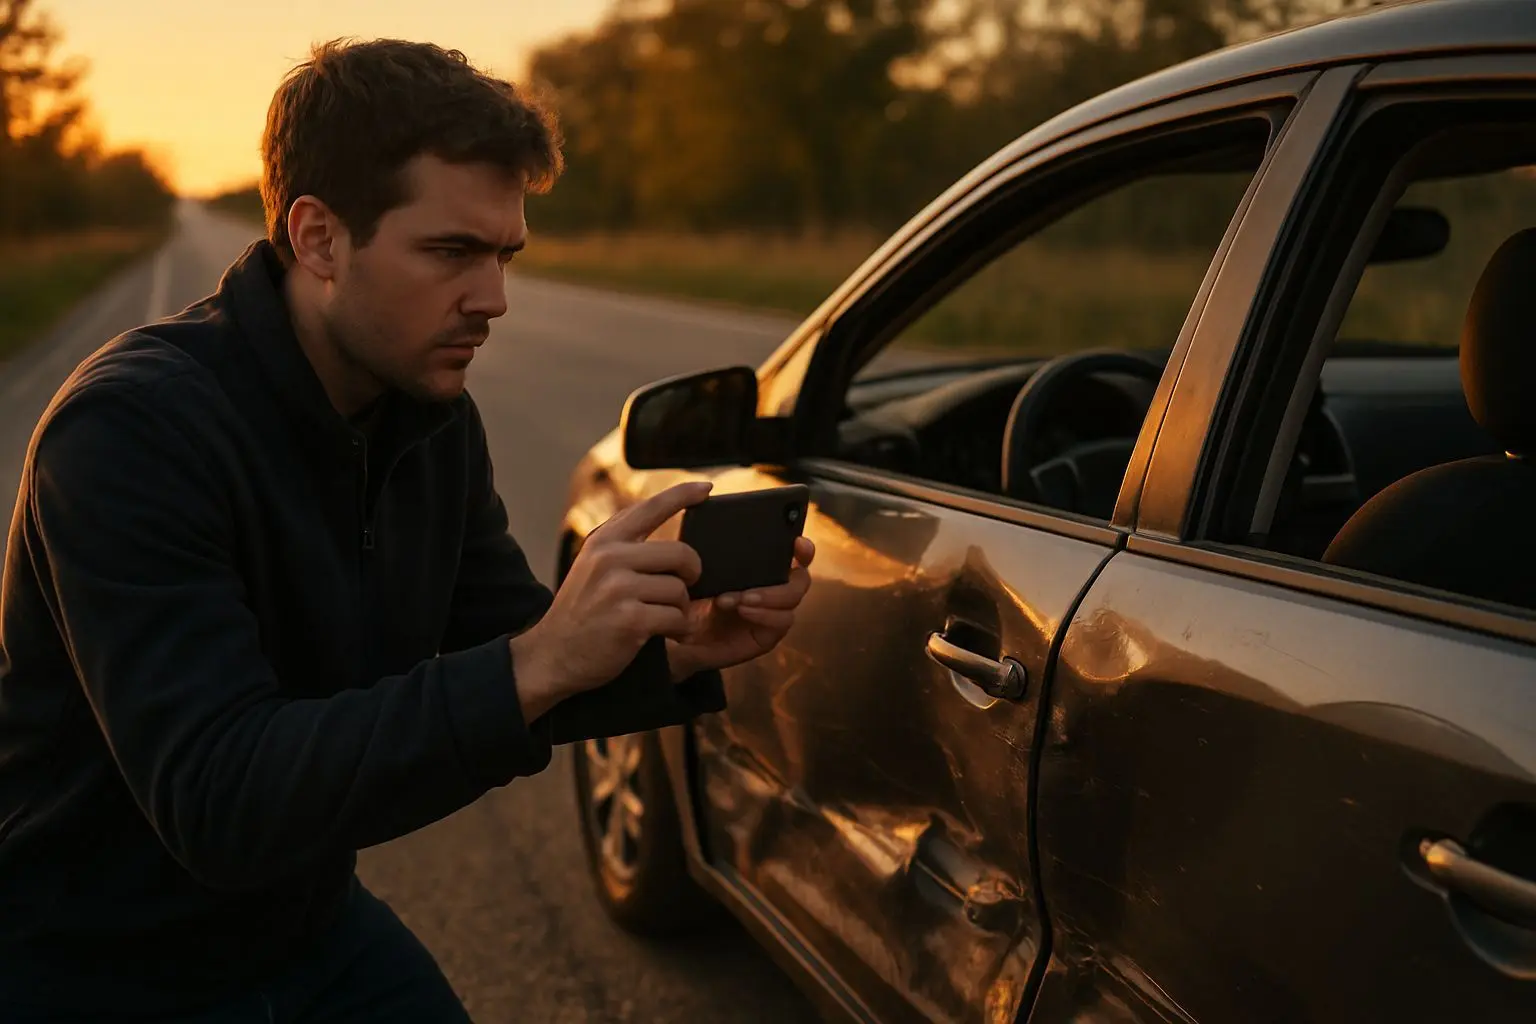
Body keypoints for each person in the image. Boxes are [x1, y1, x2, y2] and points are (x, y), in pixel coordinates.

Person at [0, 37, 814, 1023]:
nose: (494, 297)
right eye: (452, 252)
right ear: (318, 239)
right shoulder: (128, 434)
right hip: (93, 962)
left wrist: (672, 648)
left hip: (301, 920)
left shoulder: (429, 419)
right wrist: (541, 659)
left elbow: (504, 645)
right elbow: (217, 796)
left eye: (505, 253)